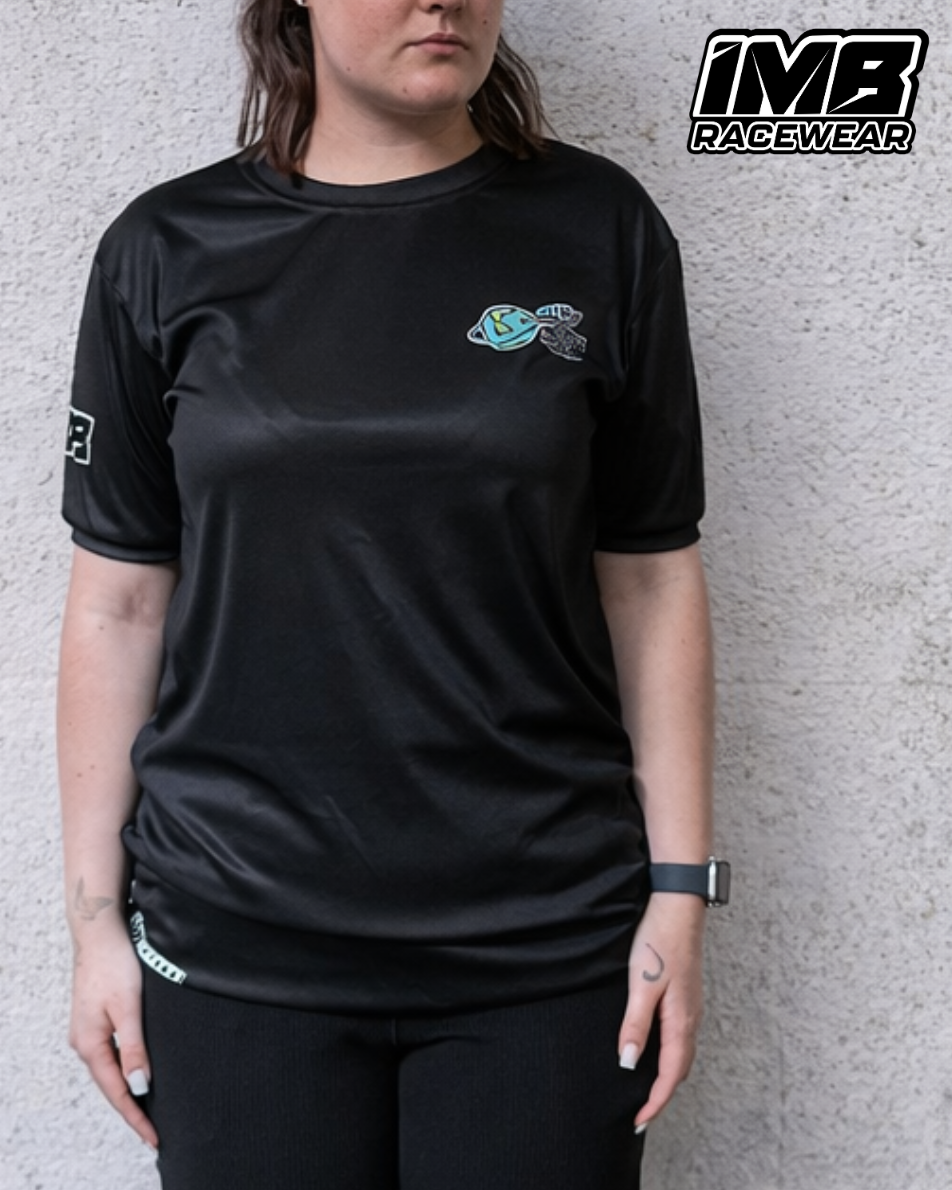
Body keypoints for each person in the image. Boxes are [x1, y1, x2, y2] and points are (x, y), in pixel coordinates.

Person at [58, 1, 720, 1187]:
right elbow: (118, 604)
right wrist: (94, 921)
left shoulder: (596, 227)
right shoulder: (165, 248)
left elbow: (650, 576)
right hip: (238, 946)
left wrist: (679, 890)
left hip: (543, 944)